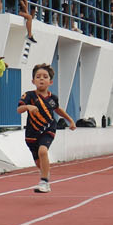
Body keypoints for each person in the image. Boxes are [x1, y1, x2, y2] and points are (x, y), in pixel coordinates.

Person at [18, 63, 75, 193]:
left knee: (43, 151)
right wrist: (28, 107)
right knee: (39, 163)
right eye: (38, 77)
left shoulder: (52, 98)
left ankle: (44, 181)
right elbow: (19, 109)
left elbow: (58, 109)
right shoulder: (28, 96)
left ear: (50, 81)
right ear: (33, 81)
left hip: (48, 128)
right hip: (32, 133)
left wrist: (70, 120)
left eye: (45, 77)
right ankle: (45, 175)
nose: (41, 79)